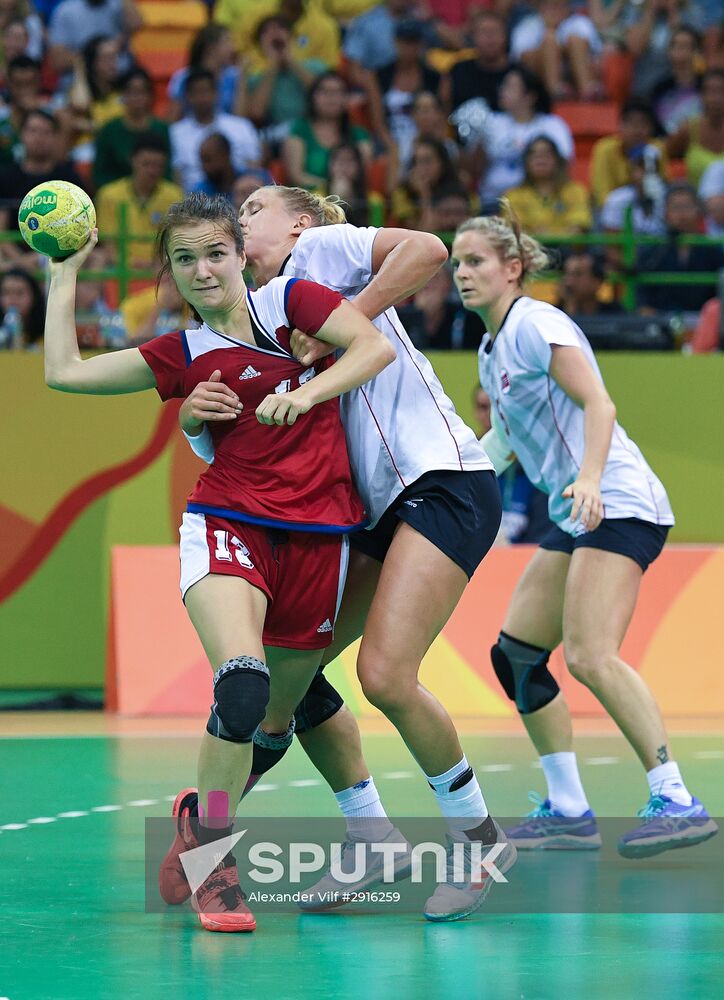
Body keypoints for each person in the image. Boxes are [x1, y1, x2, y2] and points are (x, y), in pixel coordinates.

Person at [43, 192, 397, 933]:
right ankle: (215, 866)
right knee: (242, 688)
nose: (202, 271)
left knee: (274, 719)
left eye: (214, 253)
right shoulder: (183, 355)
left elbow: (372, 349)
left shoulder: (293, 302)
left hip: (321, 536)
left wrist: (307, 398)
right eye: (184, 260)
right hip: (229, 520)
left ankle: (198, 816)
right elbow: (66, 373)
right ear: (169, 273)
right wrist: (65, 270)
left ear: (240, 253)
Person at [179, 184, 517, 922]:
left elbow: (426, 248)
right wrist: (192, 419)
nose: (242, 221)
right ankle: (365, 832)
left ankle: (480, 839)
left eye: (255, 209)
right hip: (363, 511)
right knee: (289, 679)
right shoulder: (261, 313)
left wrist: (347, 323)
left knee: (387, 675)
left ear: (299, 222)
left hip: (440, 481)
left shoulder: (321, 255)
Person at [451, 211, 717, 858]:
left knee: (591, 654)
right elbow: (504, 446)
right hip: (579, 512)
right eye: (456, 262)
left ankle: (676, 797)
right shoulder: (491, 352)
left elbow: (600, 403)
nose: (461, 273)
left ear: (512, 269)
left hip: (617, 501)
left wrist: (592, 479)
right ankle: (569, 808)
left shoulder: (538, 324)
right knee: (516, 655)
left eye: (476, 261)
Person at [471, 385, 551, 545]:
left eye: (496, 406)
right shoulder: (466, 464)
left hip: (523, 559)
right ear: (475, 412)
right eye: (484, 407)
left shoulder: (538, 466)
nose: (492, 414)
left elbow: (543, 533)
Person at [95, 132, 183, 267]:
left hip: (161, 270)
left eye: (158, 165)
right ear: (132, 160)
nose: (152, 171)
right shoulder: (108, 195)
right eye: (146, 164)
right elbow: (109, 246)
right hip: (119, 268)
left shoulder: (174, 196)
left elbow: (176, 242)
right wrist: (136, 264)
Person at [638, 182, 723, 315]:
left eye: (687, 207)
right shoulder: (653, 252)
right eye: (676, 208)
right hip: (660, 323)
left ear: (698, 211)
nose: (682, 214)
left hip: (703, 322)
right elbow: (643, 297)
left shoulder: (714, 251)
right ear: (666, 213)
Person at [170, 69, 261, 192]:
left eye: (206, 91)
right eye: (196, 92)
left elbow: (254, 167)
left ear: (216, 93)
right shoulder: (175, 133)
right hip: (194, 201)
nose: (202, 97)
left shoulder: (241, 126)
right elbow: (177, 177)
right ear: (187, 96)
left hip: (239, 195)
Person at [281, 71, 372, 191]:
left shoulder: (359, 135)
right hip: (309, 199)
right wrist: (328, 189)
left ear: (347, 99)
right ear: (313, 96)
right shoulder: (299, 130)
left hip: (351, 201)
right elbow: (296, 176)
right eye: (325, 92)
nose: (331, 98)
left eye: (338, 92)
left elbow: (363, 176)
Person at [92, 67, 171, 189]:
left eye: (142, 92)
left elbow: (167, 171)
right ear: (123, 95)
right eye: (132, 92)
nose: (137, 97)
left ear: (150, 95)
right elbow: (100, 174)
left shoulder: (161, 128)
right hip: (116, 196)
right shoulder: (109, 130)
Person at [505, 135, 592, 236]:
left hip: (567, 250)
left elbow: (578, 227)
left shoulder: (575, 191)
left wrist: (548, 236)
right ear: (526, 162)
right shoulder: (513, 195)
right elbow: (514, 232)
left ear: (557, 160)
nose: (540, 158)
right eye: (534, 154)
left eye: (546, 154)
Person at [591, 99, 667, 208]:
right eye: (632, 123)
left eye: (643, 124)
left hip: (649, 209)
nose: (637, 130)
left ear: (652, 128)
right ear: (620, 125)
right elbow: (602, 195)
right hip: (612, 211)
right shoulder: (604, 149)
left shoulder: (656, 149)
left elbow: (662, 186)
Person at [166, 23, 243, 123]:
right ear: (211, 47)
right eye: (227, 42)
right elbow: (172, 120)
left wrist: (242, 77)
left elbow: (241, 121)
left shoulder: (235, 76)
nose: (233, 48)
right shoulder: (183, 78)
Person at [442, 9, 511, 114]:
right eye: (484, 32)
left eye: (495, 31)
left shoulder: (518, 74)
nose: (490, 38)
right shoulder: (458, 71)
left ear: (505, 36)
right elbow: (444, 110)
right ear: (473, 37)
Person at [667, 68, 724, 187]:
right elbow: (666, 157)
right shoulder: (687, 130)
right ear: (702, 96)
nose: (716, 98)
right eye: (711, 91)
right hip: (696, 203)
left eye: (721, 91)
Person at [0, 267, 46, 350]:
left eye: (19, 293)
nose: (12, 299)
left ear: (34, 296)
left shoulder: (47, 330)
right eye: (6, 292)